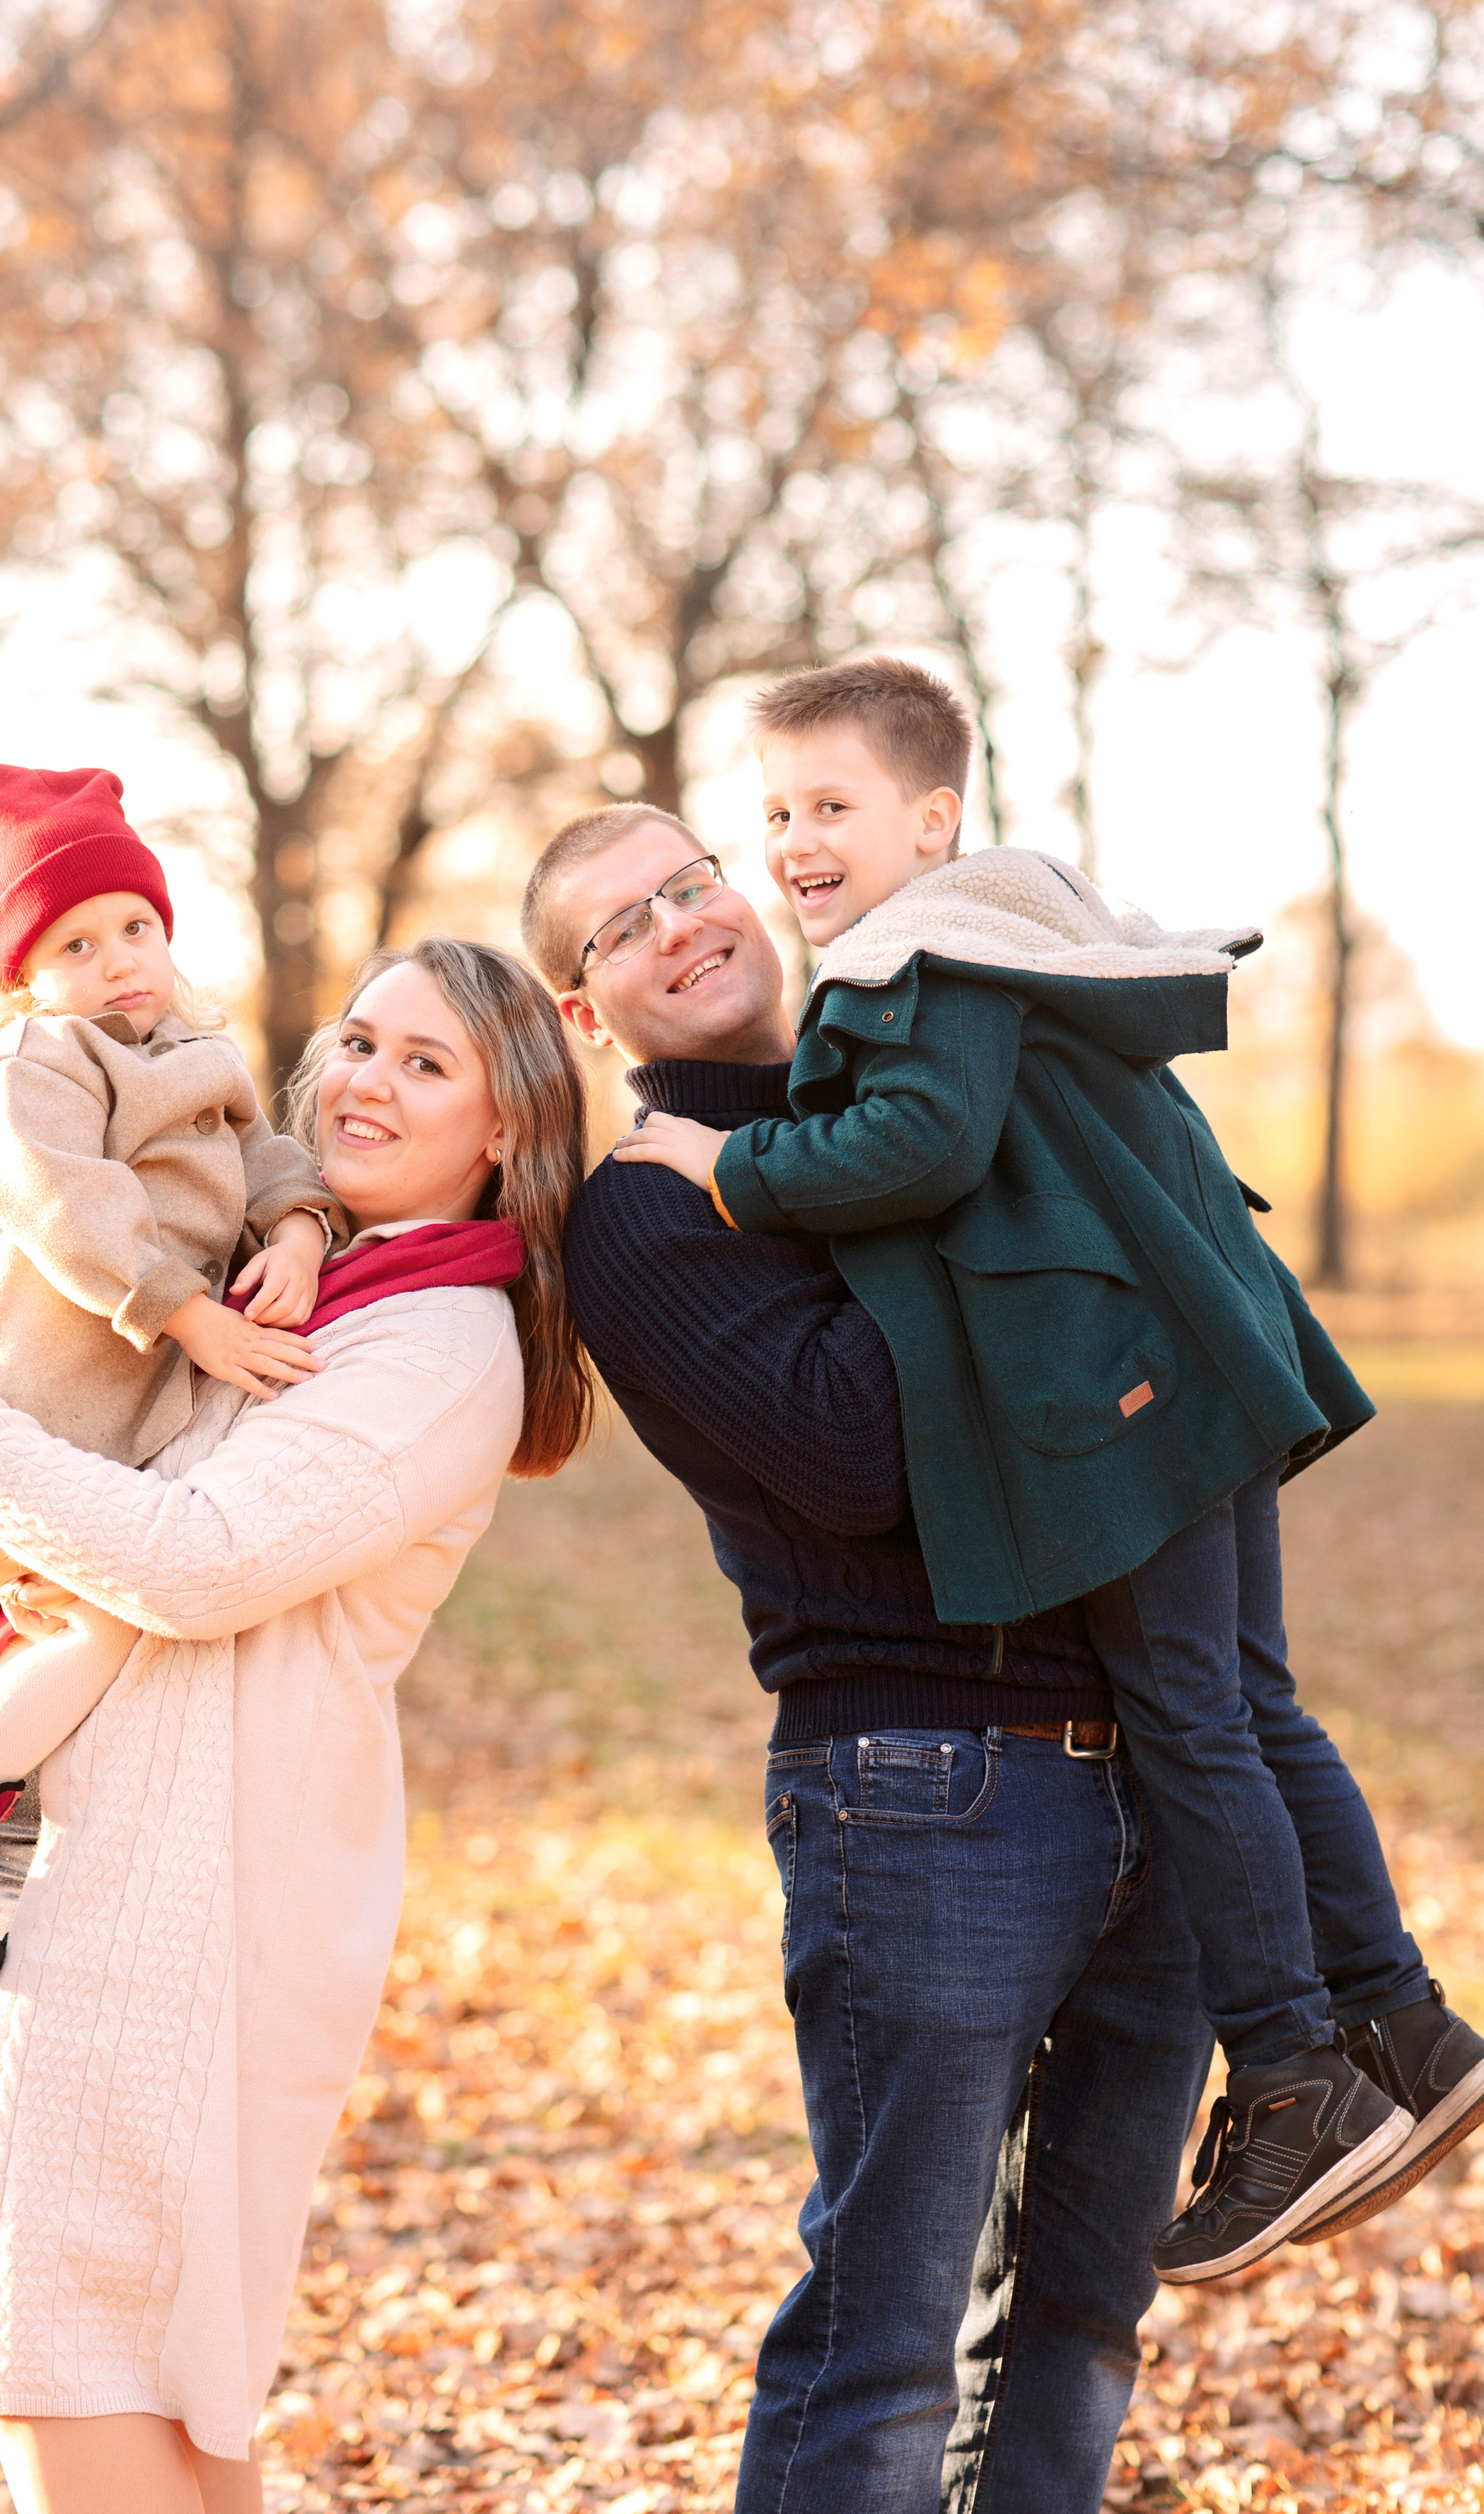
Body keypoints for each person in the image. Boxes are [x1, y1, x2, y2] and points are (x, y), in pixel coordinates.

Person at [613, 655, 1484, 2288]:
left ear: (931, 819)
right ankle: (1405, 2028)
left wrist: (732, 1169)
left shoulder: (918, 963)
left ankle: (1295, 2071)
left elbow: (917, 1150)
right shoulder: (998, 940)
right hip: (1188, 1371)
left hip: (1116, 1398)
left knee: (1192, 1709)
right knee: (1244, 1694)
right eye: (775, 814)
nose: (795, 841)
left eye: (832, 807)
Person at [524, 799, 1212, 2514]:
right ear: (583, 1013)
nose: (685, 921)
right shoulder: (644, 1213)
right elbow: (854, 1456)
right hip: (925, 1791)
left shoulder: (911, 1096)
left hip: (1157, 1756)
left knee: (1080, 2314)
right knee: (885, 2332)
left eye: (691, 880)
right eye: (625, 926)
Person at [0, 935, 592, 2514]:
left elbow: (187, 1562)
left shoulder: (431, 1342)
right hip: (100, 1858)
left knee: (65, 2357)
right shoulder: (285, 1278)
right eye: (354, 1040)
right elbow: (36, 1487)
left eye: (424, 1063)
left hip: (184, 1900)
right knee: (159, 2394)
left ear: (508, 1131)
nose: (362, 1080)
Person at [0, 761, 341, 1981]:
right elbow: (63, 1199)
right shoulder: (31, 1065)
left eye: (138, 927)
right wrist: (185, 1312)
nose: (120, 962)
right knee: (86, 1617)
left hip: (126, 1409)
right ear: (24, 975)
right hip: (37, 1398)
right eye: (78, 943)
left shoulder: (199, 1051)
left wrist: (305, 1226)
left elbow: (264, 1155)